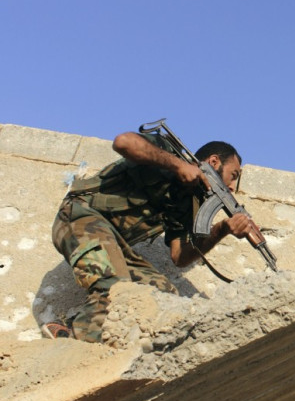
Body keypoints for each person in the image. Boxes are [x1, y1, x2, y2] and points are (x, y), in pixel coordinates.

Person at [41, 128, 259, 342]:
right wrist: (178, 165)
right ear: (213, 162)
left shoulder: (189, 201)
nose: (232, 187)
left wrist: (222, 229)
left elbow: (179, 256)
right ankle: (76, 347)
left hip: (115, 244)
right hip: (79, 217)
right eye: (233, 175)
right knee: (115, 284)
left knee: (162, 296)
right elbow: (123, 142)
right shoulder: (168, 151)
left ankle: (77, 331)